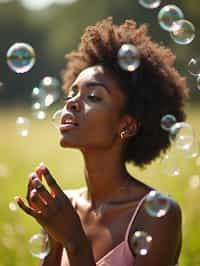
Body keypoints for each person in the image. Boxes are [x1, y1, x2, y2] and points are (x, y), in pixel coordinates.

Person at [15, 17, 188, 266]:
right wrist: (55, 240)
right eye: (72, 93)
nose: (72, 102)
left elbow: (76, 245)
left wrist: (74, 240)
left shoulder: (158, 216)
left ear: (126, 125)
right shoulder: (63, 209)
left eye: (94, 96)